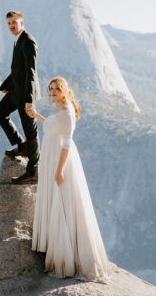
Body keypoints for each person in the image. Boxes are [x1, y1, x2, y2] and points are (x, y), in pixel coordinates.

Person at [30, 77, 110, 282]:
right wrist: (36, 115)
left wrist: (60, 170)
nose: (53, 92)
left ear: (65, 90)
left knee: (62, 203)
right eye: (51, 89)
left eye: (57, 89)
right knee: (56, 201)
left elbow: (66, 143)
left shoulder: (66, 111)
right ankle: (53, 248)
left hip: (59, 159)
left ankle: (65, 258)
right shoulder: (58, 108)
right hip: (50, 156)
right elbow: (51, 127)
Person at [0, 10, 40, 184]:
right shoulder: (18, 39)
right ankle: (21, 145)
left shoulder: (28, 41)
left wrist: (29, 100)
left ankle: (33, 172)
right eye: (8, 24)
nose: (11, 26)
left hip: (25, 95)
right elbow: (17, 69)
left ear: (22, 22)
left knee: (31, 132)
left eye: (14, 22)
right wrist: (8, 83)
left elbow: (30, 72)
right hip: (16, 91)